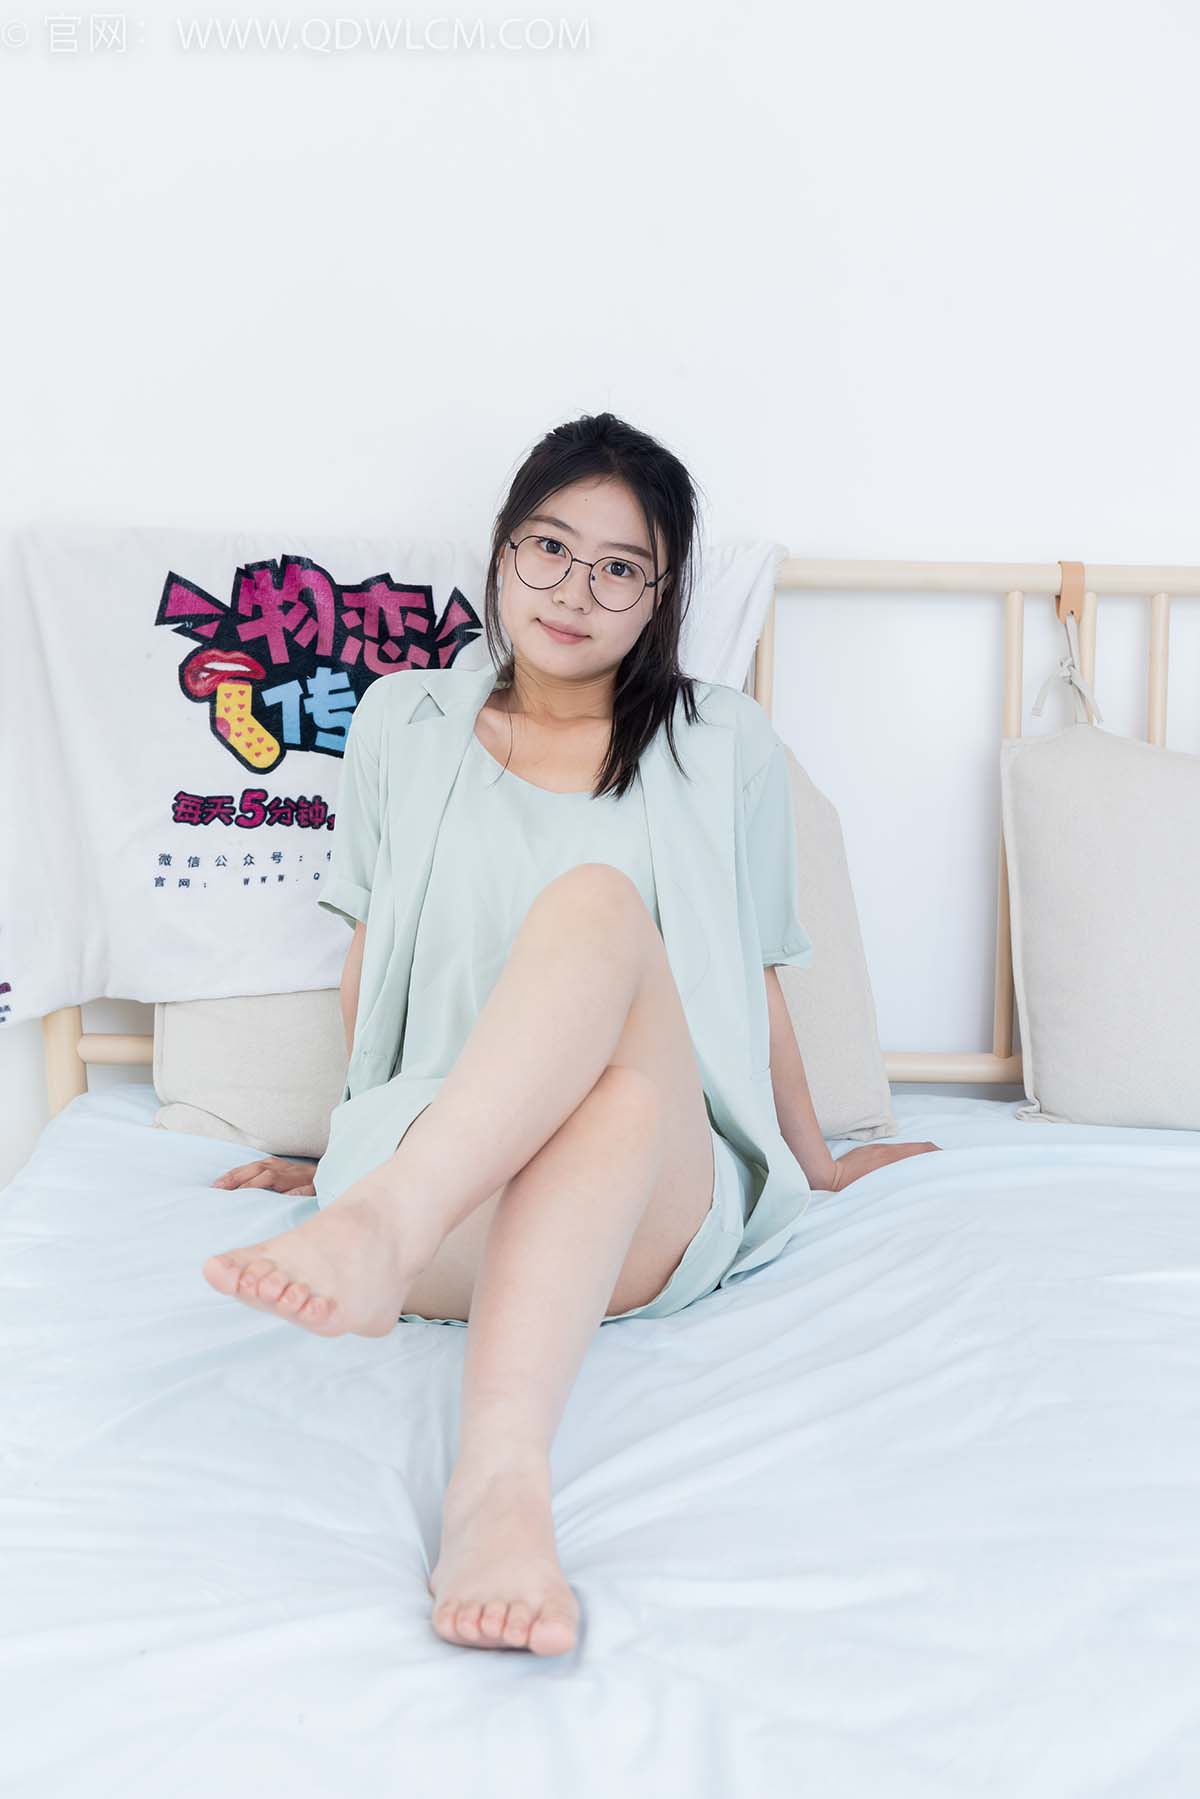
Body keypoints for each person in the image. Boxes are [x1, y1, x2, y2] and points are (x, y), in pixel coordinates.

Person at [201, 411, 940, 1659]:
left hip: (647, 1201)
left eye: (619, 567)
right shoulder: (403, 722)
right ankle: (493, 1487)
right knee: (603, 1095)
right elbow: (372, 965)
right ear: (502, 549)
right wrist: (345, 1143)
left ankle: (387, 1235)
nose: (574, 590)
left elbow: (754, 975)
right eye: (549, 547)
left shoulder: (723, 743)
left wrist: (816, 1162)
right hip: (441, 1172)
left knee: (603, 956)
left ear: (660, 595)